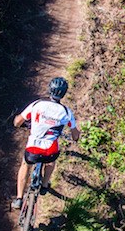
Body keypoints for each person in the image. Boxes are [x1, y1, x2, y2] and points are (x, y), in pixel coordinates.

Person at [11, 76, 80, 209]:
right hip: (50, 151)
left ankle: (19, 199)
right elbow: (75, 135)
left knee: (25, 164)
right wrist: (75, 137)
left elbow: (18, 122)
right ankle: (44, 185)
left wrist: (18, 122)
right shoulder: (66, 112)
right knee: (51, 161)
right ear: (64, 93)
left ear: (49, 89)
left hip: (33, 149)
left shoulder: (37, 104)